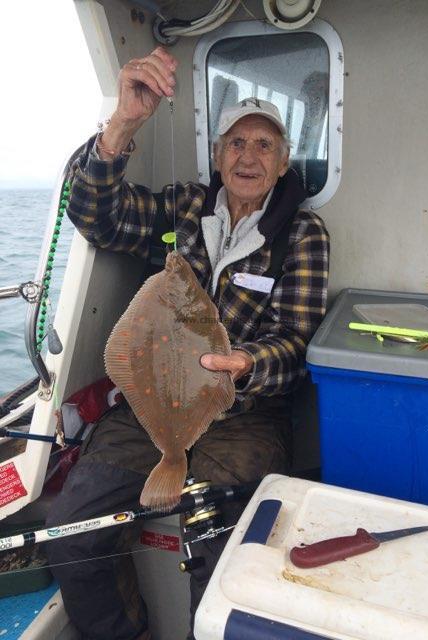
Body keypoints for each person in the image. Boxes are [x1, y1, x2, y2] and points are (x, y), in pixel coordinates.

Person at [46, 46, 329, 640]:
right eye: (235, 143)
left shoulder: (302, 233)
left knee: (215, 536)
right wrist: (123, 123)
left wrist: (246, 362)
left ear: (282, 164)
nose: (247, 156)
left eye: (264, 146)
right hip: (153, 402)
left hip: (242, 412)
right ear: (218, 154)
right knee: (73, 523)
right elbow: (95, 215)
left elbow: (298, 342)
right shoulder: (183, 206)